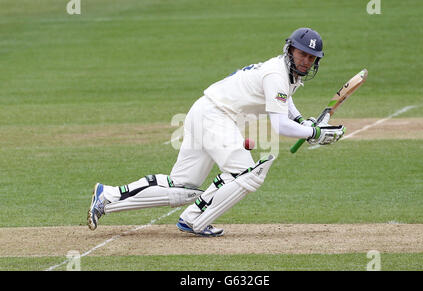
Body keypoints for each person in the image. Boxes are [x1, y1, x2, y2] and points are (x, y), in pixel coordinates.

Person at [87, 27, 345, 236]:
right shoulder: (276, 74)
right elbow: (279, 125)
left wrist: (302, 120)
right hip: (215, 116)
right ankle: (195, 218)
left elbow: (284, 101)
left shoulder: (285, 74)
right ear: (290, 50)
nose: (306, 61)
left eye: (312, 58)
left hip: (206, 112)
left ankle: (108, 195)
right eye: (302, 54)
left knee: (182, 187)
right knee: (247, 174)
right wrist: (313, 133)